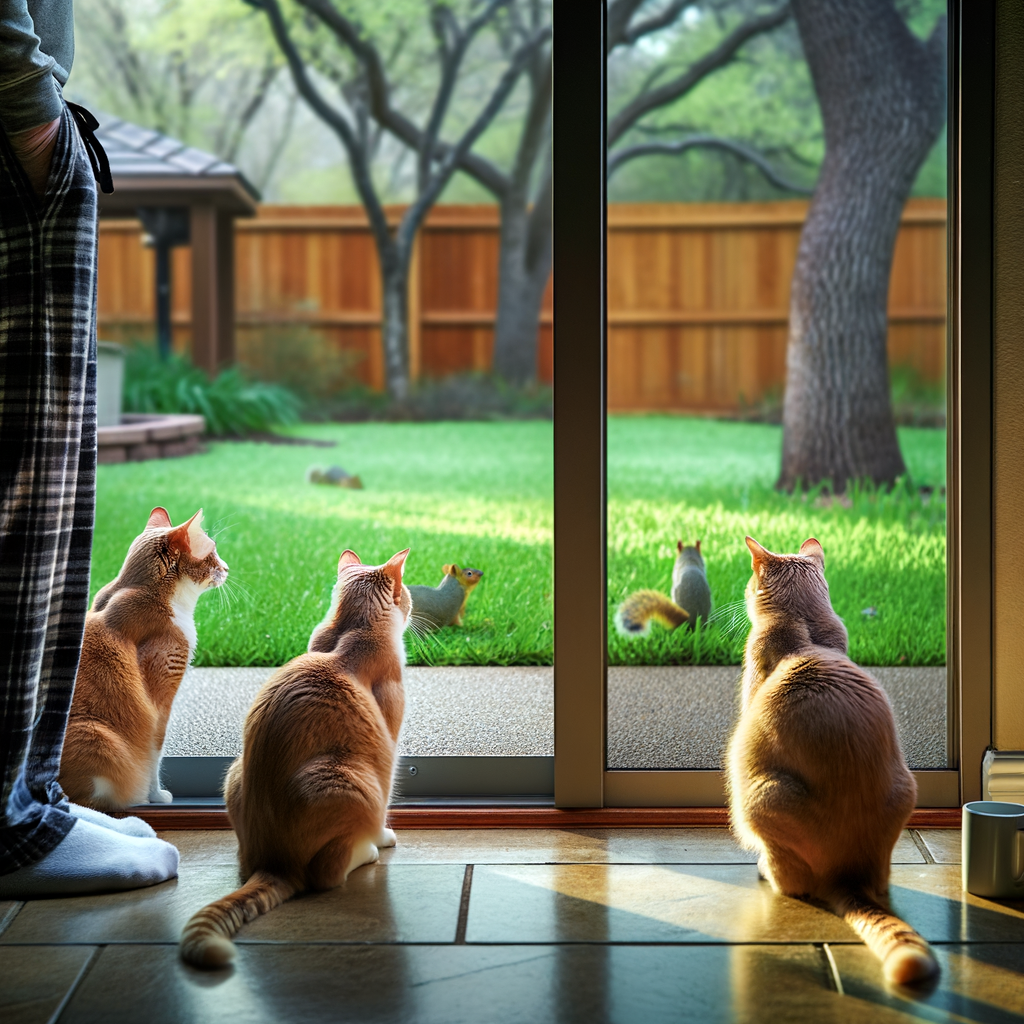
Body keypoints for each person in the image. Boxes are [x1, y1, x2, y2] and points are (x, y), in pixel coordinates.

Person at [0, 0, 178, 897]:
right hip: (12, 132)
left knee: (39, 483)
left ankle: (27, 793)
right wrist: (31, 108)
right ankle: (9, 823)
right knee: (26, 487)